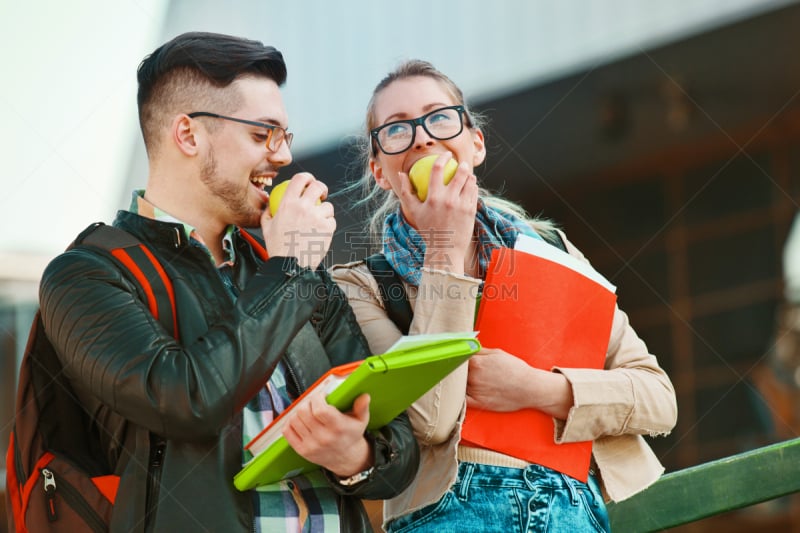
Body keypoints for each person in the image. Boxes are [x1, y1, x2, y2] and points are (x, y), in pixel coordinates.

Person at [37, 32, 418, 532]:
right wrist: (291, 270)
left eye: (285, 137)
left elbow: (400, 446)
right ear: (189, 136)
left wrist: (357, 455)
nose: (282, 157)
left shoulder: (290, 267)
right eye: (263, 135)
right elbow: (187, 400)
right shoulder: (87, 274)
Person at [330, 59, 678, 532]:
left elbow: (659, 399)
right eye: (396, 130)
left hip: (570, 508)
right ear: (380, 172)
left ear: (476, 143)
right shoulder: (360, 285)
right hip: (448, 515)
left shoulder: (550, 251)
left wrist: (537, 388)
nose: (423, 138)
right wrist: (443, 249)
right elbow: (432, 420)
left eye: (439, 117)